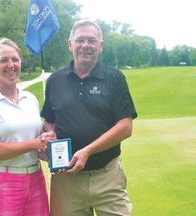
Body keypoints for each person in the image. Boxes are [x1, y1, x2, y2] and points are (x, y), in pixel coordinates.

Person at [40, 19, 138, 216]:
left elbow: (126, 126)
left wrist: (88, 151)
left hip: (107, 175)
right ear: (70, 44)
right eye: (80, 40)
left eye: (92, 41)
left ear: (100, 46)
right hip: (66, 180)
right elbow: (49, 121)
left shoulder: (115, 78)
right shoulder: (55, 81)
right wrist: (49, 136)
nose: (86, 45)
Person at [0, 38, 54, 216]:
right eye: (4, 60)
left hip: (36, 178)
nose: (11, 65)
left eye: (15, 59)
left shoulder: (30, 98)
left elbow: (37, 140)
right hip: (3, 181)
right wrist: (34, 144)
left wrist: (47, 146)